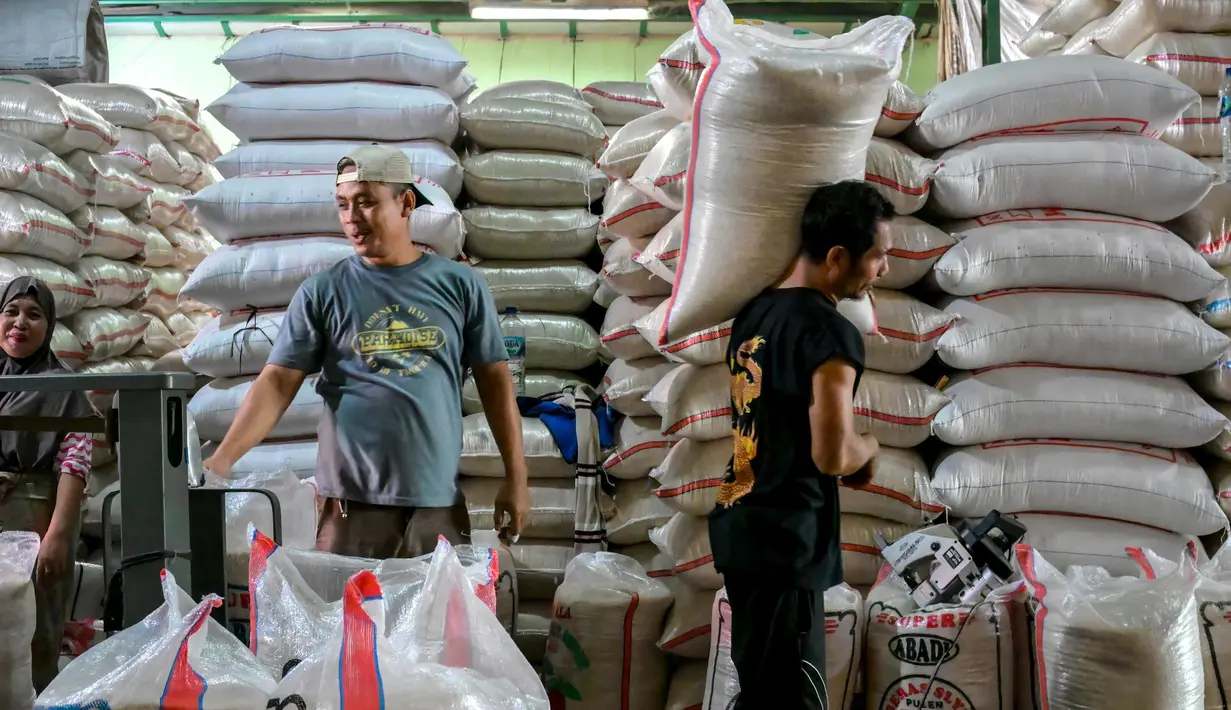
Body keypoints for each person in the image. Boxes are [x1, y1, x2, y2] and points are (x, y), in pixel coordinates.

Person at [203, 146, 530, 557]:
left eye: (367, 202)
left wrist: (516, 478)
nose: (352, 219)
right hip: (351, 509)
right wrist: (221, 461)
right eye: (343, 205)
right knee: (350, 622)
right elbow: (277, 383)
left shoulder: (460, 285)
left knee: (438, 623)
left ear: (406, 202)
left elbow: (495, 383)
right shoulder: (324, 292)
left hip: (437, 505)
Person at [709, 180, 893, 710]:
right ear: (838, 257)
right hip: (786, 544)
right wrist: (871, 447)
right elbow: (832, 455)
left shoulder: (755, 316)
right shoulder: (828, 333)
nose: (883, 270)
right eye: (877, 256)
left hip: (742, 526)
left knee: (763, 692)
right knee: (792, 699)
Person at [0, 276, 96, 691]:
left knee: (34, 627)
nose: (20, 322)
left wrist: (58, 535)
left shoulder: (64, 389)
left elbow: (74, 464)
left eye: (34, 315)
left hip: (36, 517)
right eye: (11, 311)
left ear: (50, 326)